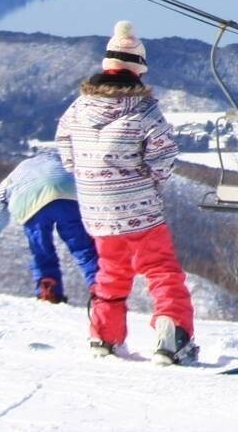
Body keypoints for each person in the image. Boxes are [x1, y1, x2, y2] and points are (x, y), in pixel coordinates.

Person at [55, 20, 198, 365]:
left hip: (96, 210)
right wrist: (149, 181)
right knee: (160, 269)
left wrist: (90, 177)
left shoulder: (78, 107)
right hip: (139, 208)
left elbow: (65, 148)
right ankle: (172, 336)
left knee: (111, 269)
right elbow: (163, 156)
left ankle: (103, 336)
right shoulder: (144, 109)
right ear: (138, 69)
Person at [0, 147, 101, 304]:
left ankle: (48, 289)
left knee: (41, 251)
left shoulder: (13, 176)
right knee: (83, 247)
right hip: (67, 192)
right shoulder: (66, 163)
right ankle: (99, 288)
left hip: (29, 202)